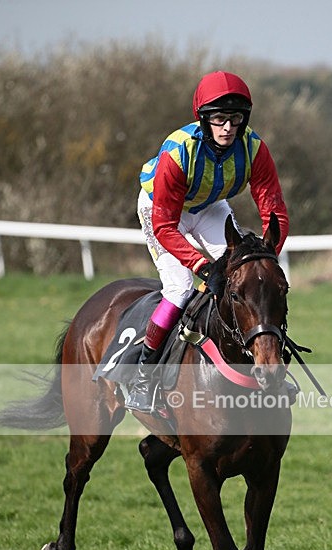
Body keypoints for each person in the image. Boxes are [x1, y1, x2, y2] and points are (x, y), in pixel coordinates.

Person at [126, 70, 290, 414]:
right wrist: (203, 266)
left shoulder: (254, 149)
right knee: (181, 287)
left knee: (251, 278)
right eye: (219, 119)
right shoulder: (178, 152)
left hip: (209, 205)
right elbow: (165, 225)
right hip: (162, 210)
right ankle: (143, 377)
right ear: (204, 119)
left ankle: (268, 360)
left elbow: (273, 208)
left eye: (235, 119)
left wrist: (267, 256)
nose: (228, 127)